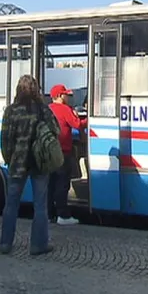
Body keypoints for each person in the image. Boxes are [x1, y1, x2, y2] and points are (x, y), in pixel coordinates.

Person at [0, 75, 56, 255]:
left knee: (11, 204)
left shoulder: (11, 111)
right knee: (40, 205)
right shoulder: (42, 109)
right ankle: (38, 245)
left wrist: (9, 158)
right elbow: (56, 130)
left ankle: (5, 244)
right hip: (39, 162)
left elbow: (5, 138)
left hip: (17, 163)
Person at [47, 84, 87, 225]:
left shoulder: (48, 109)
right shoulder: (64, 109)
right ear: (59, 96)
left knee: (50, 185)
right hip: (63, 153)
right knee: (62, 185)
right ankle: (62, 215)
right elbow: (77, 124)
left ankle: (49, 215)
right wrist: (88, 119)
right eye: (66, 95)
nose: (68, 97)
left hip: (49, 153)